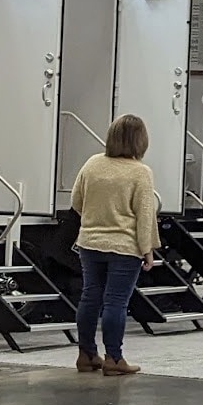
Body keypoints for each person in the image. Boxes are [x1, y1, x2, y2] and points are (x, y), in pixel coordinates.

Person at [71, 114, 161, 377]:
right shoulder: (140, 172)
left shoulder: (92, 163)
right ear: (140, 141)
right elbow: (145, 215)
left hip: (89, 242)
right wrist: (148, 249)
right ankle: (114, 358)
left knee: (90, 297)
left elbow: (77, 201)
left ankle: (86, 354)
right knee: (115, 302)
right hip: (124, 246)